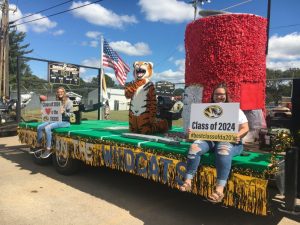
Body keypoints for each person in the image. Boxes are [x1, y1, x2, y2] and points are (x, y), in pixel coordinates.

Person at [179, 83, 249, 203]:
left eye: (222, 94)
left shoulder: (235, 110)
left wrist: (237, 135)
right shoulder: (203, 110)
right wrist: (193, 132)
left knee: (223, 150)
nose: (219, 96)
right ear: (213, 96)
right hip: (210, 139)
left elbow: (245, 128)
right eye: (217, 94)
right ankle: (188, 181)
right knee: (194, 147)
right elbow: (197, 129)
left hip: (229, 141)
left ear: (226, 96)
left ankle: (219, 190)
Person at [31, 87, 73, 158]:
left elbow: (71, 114)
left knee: (48, 128)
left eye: (61, 92)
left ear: (64, 92)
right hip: (56, 119)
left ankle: (48, 149)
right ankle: (39, 145)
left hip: (65, 121)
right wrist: (44, 112)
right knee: (39, 127)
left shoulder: (69, 102)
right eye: (58, 92)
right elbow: (52, 112)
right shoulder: (57, 101)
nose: (60, 93)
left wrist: (64, 112)